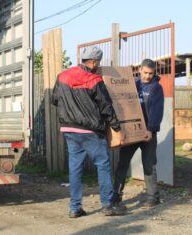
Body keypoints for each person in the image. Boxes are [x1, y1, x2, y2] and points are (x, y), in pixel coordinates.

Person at [51, 46, 126, 218]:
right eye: (98, 63)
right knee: (103, 165)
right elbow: (106, 107)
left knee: (75, 168)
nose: (98, 66)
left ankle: (75, 208)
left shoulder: (63, 76)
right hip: (91, 131)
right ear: (93, 62)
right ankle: (107, 205)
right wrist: (117, 128)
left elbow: (54, 99)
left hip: (69, 129)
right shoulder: (95, 80)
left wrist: (71, 110)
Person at [113, 59, 164, 207]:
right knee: (122, 163)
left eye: (151, 73)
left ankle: (152, 198)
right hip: (131, 131)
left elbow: (157, 111)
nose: (148, 76)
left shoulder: (156, 88)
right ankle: (116, 196)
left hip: (148, 133)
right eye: (145, 72)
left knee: (149, 165)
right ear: (140, 69)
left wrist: (151, 129)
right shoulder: (132, 84)